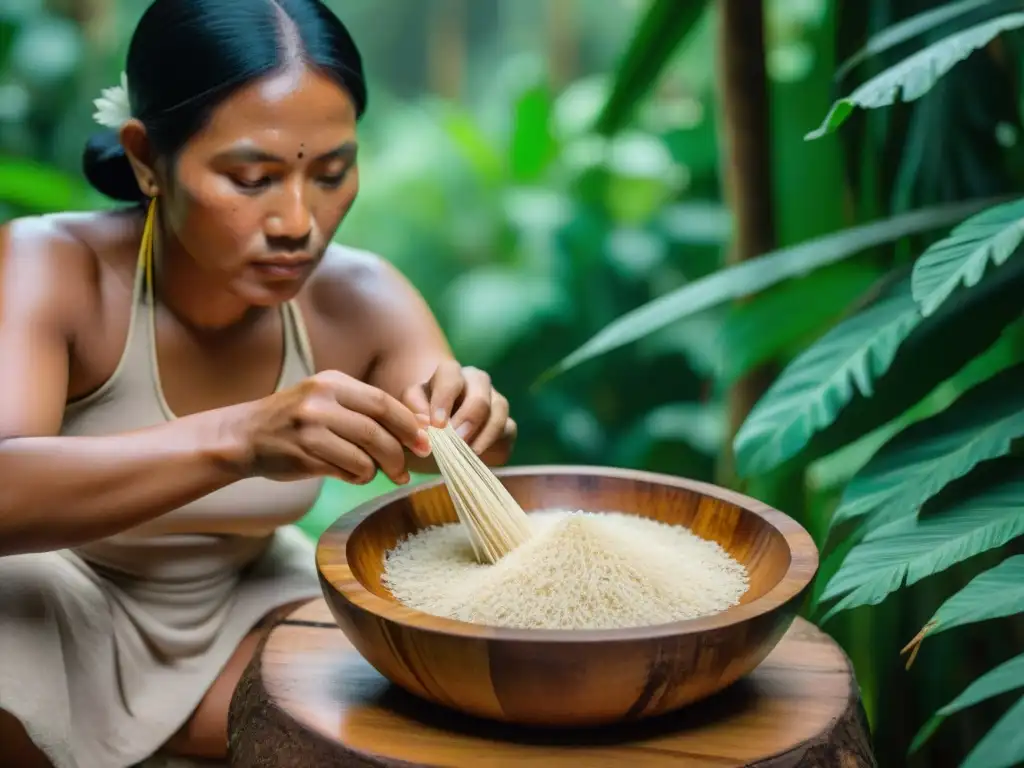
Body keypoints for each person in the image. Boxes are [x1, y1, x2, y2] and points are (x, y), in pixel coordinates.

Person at [0, 1, 516, 766]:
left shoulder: (363, 298)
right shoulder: (53, 266)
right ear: (146, 158)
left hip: (247, 614)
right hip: (53, 611)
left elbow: (454, 451)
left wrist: (475, 430)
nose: (298, 222)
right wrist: (242, 436)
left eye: (333, 174)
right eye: (251, 178)